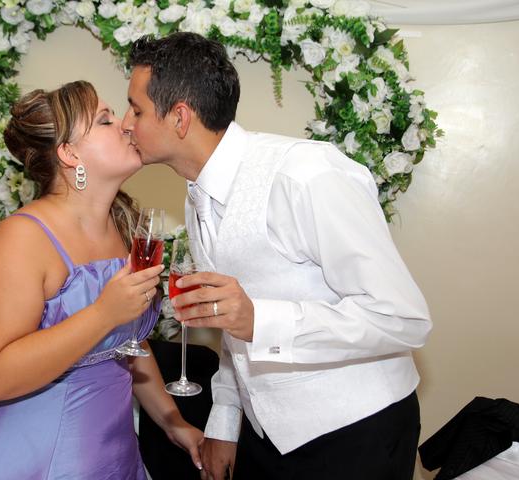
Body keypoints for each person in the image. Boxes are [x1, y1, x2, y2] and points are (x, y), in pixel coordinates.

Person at [122, 33, 432, 480]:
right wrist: (225, 422)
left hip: (355, 435)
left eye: (136, 110)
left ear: (180, 117)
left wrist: (261, 319)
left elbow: (403, 318)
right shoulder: (197, 194)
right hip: (264, 435)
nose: (126, 124)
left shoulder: (305, 176)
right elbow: (233, 329)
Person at [0, 80, 204, 479]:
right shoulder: (22, 239)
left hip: (107, 452)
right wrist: (103, 313)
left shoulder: (123, 228)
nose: (125, 124)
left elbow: (127, 345)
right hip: (30, 455)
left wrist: (173, 422)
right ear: (69, 153)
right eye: (105, 120)